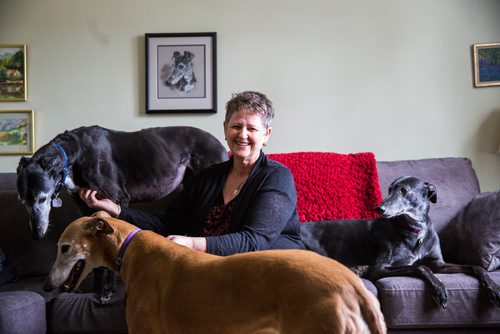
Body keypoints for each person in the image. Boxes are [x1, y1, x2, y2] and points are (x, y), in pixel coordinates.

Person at [80, 91, 305, 255]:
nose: (242, 134)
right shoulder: (208, 177)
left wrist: (192, 244)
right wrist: (116, 209)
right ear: (225, 128)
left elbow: (253, 241)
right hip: (216, 267)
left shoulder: (277, 177)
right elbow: (167, 225)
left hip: (274, 269)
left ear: (266, 135)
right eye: (236, 126)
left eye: (252, 129)